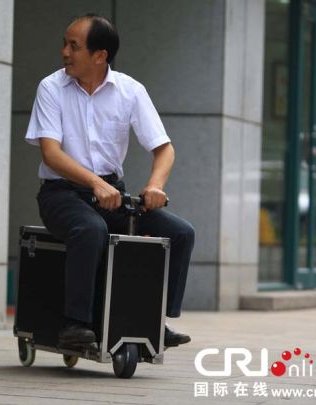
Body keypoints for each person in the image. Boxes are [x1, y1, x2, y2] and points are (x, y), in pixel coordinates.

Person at [25, 13, 195, 348]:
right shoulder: (51, 87)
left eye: (73, 46)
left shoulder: (130, 91)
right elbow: (52, 154)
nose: (64, 52)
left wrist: (155, 186)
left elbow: (164, 149)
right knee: (90, 229)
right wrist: (94, 183)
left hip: (112, 195)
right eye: (65, 43)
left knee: (180, 232)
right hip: (61, 194)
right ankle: (75, 325)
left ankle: (153, 318)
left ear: (100, 55)